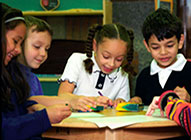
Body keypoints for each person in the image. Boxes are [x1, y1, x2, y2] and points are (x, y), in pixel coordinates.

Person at [1, 3, 71, 140]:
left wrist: (31, 107)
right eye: (15, 41)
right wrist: (43, 118)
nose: (18, 50)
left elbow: (16, 107)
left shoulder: (10, 72)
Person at [16, 15, 98, 112]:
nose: (43, 54)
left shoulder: (33, 79)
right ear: (19, 43)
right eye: (37, 46)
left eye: (47, 49)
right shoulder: (11, 78)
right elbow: (27, 104)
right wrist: (69, 101)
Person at [130, 8, 191, 105]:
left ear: (180, 41)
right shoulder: (144, 76)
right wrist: (136, 101)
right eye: (155, 47)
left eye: (169, 45)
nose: (163, 52)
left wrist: (190, 99)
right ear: (147, 46)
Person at [58, 23, 136, 107]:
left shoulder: (122, 73)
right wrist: (92, 101)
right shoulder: (77, 60)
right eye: (106, 56)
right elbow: (62, 96)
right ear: (95, 46)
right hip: (75, 119)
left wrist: (121, 102)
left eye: (119, 59)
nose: (111, 64)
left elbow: (123, 104)